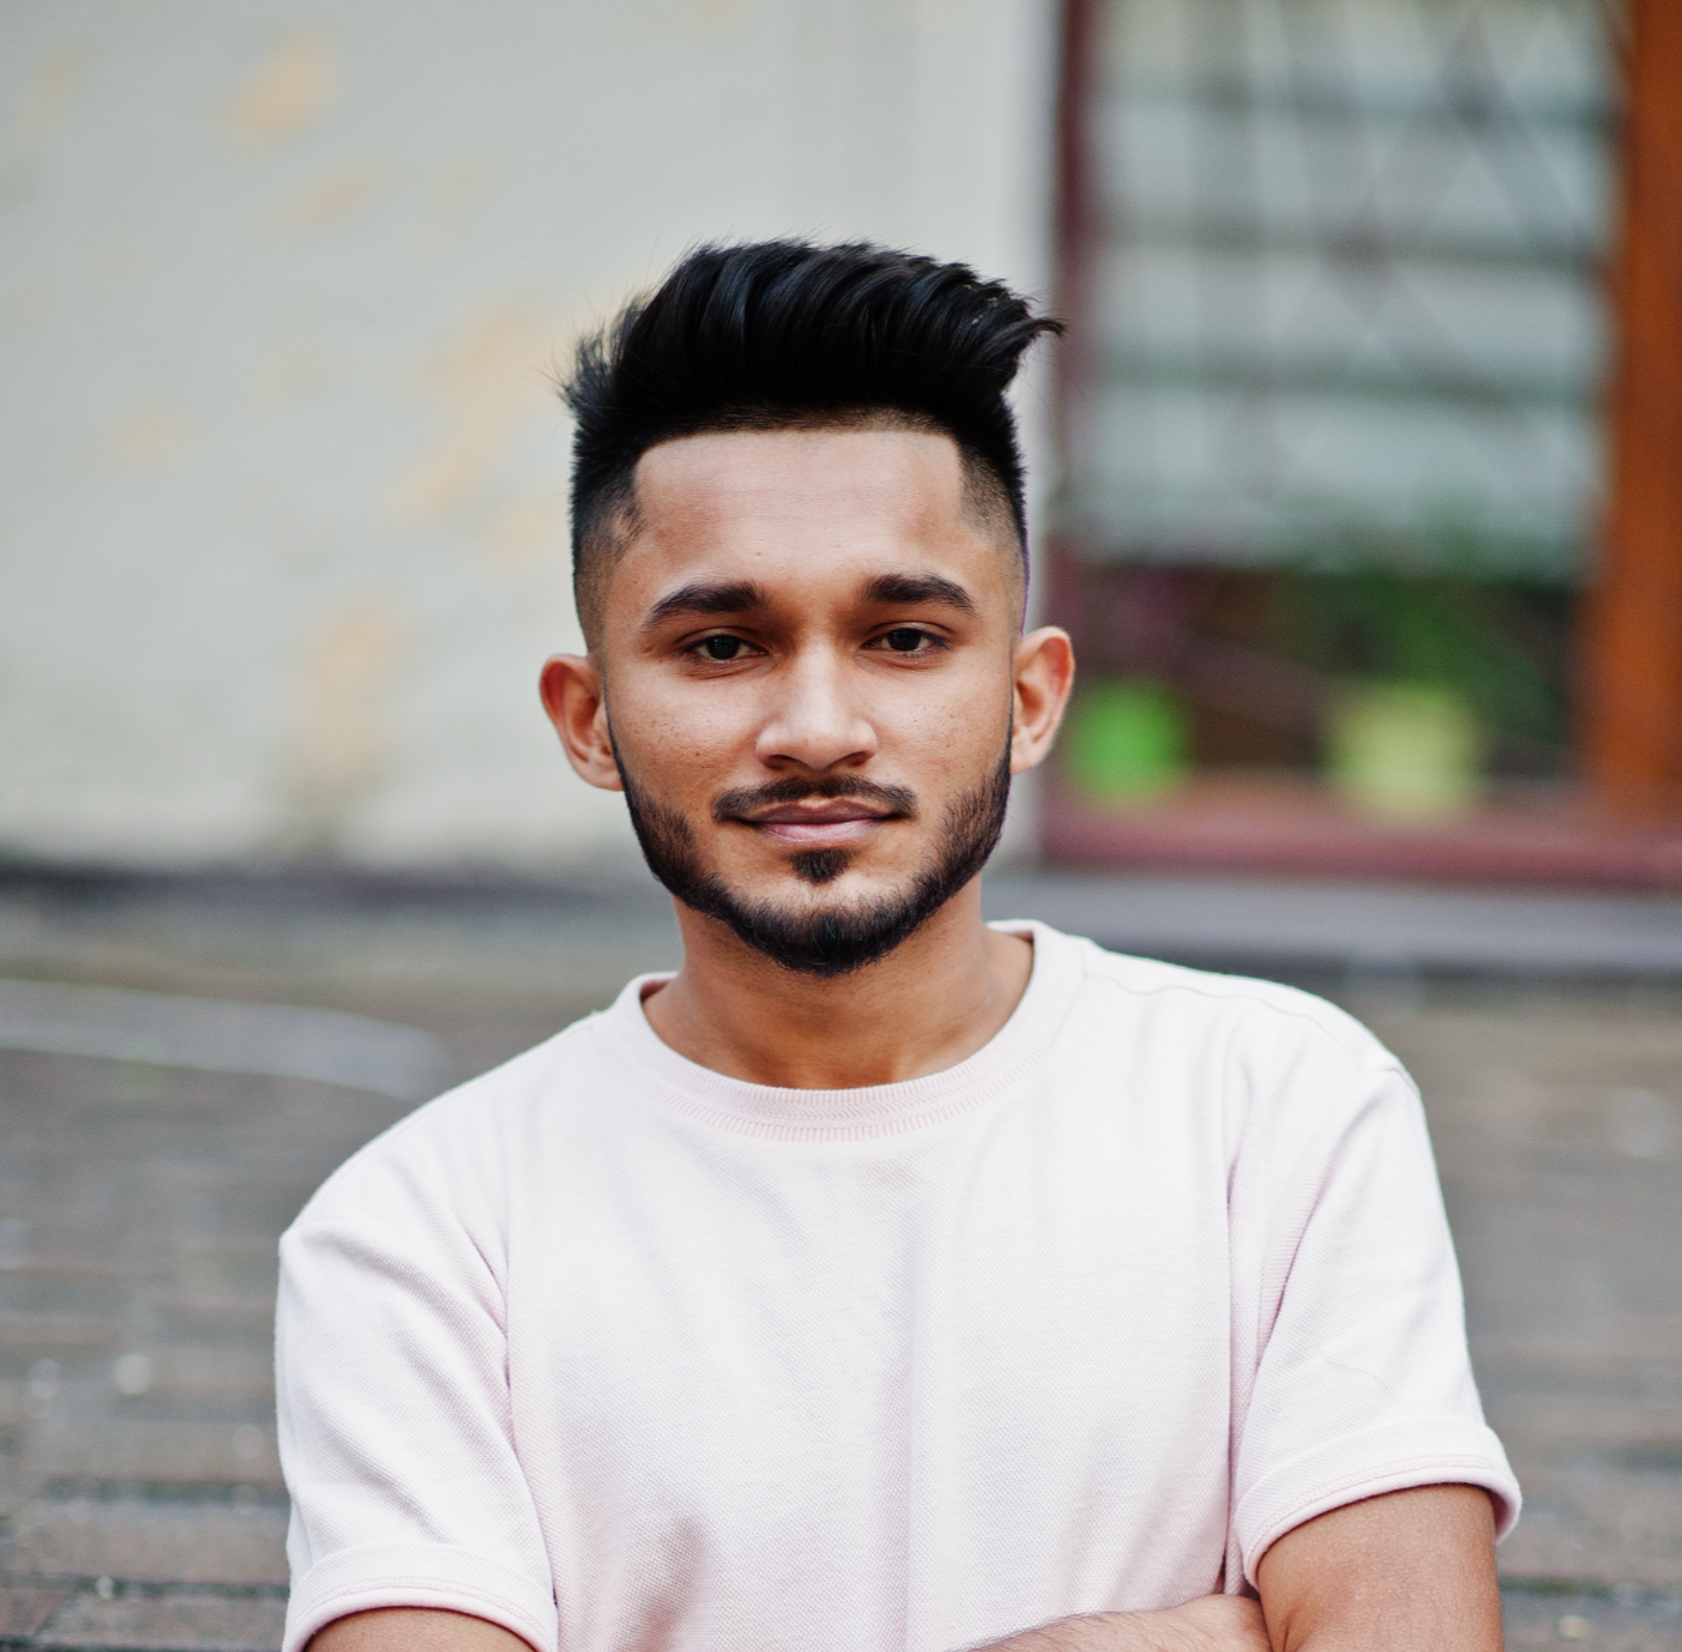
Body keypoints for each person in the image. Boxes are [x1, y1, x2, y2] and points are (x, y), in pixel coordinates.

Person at [276, 241, 1519, 1652]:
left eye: (906, 636)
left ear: (1030, 695)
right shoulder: (423, 1231)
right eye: (722, 646)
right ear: (588, 720)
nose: (816, 725)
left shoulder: (1275, 1108)